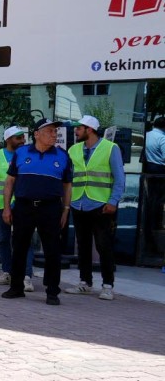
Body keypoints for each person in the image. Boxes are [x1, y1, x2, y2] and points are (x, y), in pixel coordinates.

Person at [0, 118, 72, 305]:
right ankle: (16, 287)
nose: (54, 134)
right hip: (23, 207)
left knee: (52, 250)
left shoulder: (62, 156)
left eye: (55, 131)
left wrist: (65, 210)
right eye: (49, 131)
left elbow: (67, 185)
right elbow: (9, 182)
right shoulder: (21, 153)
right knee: (19, 248)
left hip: (51, 208)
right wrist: (7, 207)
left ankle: (52, 292)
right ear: (37, 134)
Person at [68, 114, 125, 300]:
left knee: (103, 246)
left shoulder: (110, 148)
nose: (75, 130)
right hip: (79, 203)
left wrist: (113, 201)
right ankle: (85, 283)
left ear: (89, 130)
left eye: (79, 128)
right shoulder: (74, 149)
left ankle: (108, 285)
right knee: (82, 245)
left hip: (101, 205)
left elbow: (119, 178)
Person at [0, 126, 34, 291]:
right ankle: (7, 272)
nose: (22, 140)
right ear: (8, 139)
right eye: (18, 138)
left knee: (24, 240)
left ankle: (26, 276)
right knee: (3, 239)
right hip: (0, 203)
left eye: (23, 137)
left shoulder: (28, 155)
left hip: (23, 203)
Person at [143, 115, 165, 262]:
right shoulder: (162, 138)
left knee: (152, 201)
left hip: (150, 169)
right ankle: (155, 225)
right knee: (158, 202)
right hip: (160, 172)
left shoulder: (148, 135)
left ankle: (153, 223)